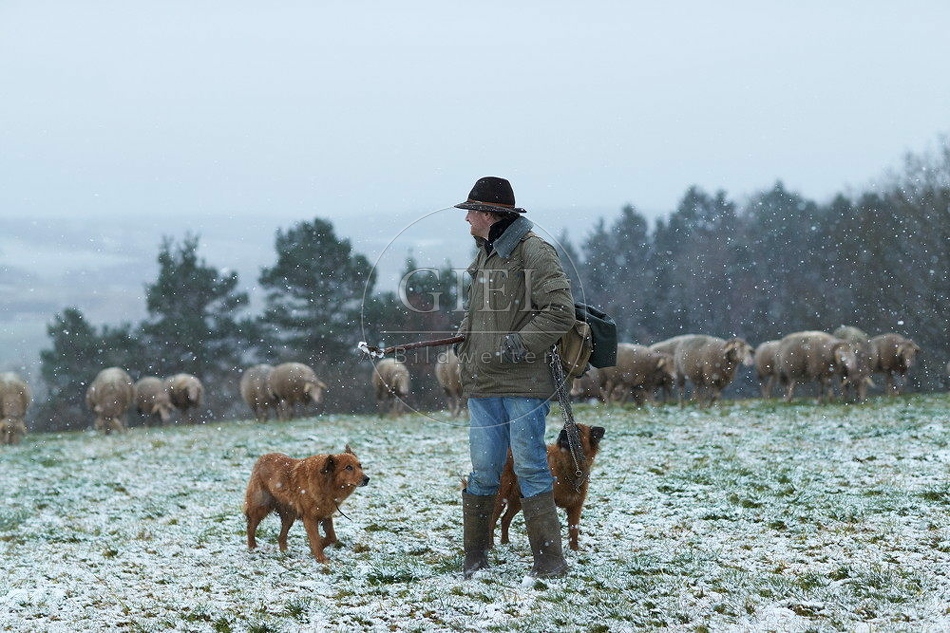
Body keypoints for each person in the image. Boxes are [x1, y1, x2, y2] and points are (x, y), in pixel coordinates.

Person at [453, 176, 577, 578]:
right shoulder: (485, 253)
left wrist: (519, 343)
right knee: (483, 472)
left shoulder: (535, 252)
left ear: (489, 214)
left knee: (530, 469)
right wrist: (465, 340)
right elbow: (477, 312)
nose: (467, 219)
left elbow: (561, 311)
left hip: (524, 383)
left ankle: (550, 562)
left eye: (471, 211)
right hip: (482, 383)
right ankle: (475, 560)